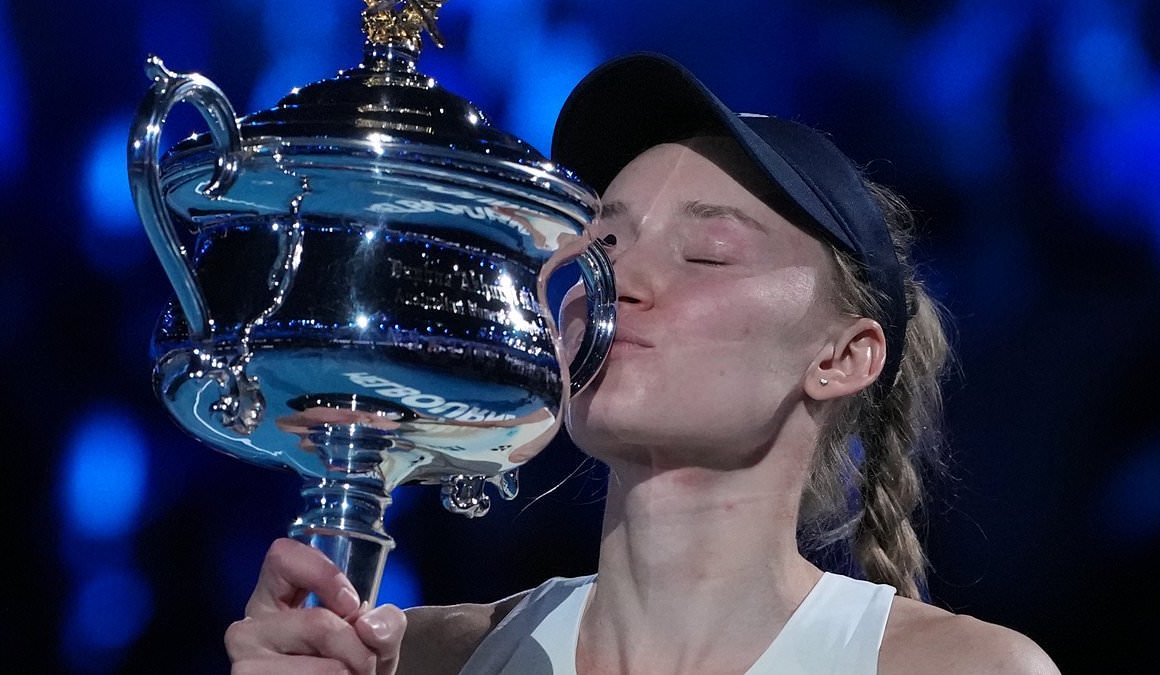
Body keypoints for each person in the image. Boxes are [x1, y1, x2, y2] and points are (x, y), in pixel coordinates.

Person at [223, 52, 1061, 674]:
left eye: (708, 253)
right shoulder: (418, 659)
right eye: (605, 242)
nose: (620, 282)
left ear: (842, 356)